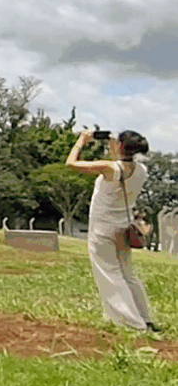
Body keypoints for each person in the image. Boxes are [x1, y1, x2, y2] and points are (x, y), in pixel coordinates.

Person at [67, 128, 161, 332]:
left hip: (103, 228)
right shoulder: (141, 170)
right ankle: (145, 318)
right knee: (127, 274)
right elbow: (119, 162)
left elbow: (71, 163)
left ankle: (131, 322)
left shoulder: (109, 168)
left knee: (110, 274)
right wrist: (113, 143)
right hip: (123, 227)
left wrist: (81, 141)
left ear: (120, 146)